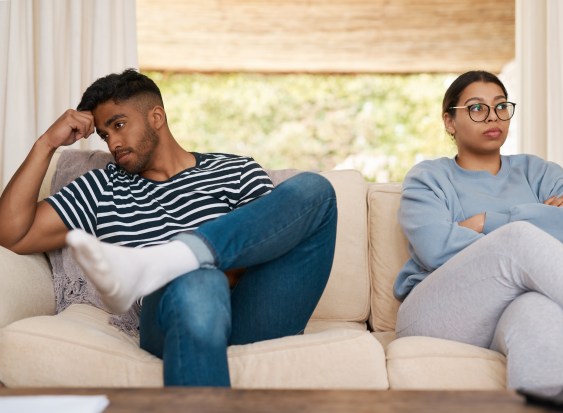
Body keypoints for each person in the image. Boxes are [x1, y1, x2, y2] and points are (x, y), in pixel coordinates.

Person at [0, 69, 338, 387]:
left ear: (156, 117)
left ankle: (166, 262)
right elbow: (11, 233)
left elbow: (265, 244)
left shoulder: (235, 170)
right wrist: (46, 143)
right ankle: (178, 267)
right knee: (197, 280)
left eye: (119, 125)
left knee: (315, 190)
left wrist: (201, 263)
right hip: (174, 314)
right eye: (104, 135)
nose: (113, 143)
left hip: (255, 309)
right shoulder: (103, 187)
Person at [394, 70, 563, 389]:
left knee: (543, 313)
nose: (492, 117)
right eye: (476, 108)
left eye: (501, 106)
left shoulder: (539, 172)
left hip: (522, 308)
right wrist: (535, 221)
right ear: (449, 122)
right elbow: (436, 248)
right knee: (518, 239)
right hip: (440, 312)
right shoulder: (428, 178)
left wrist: (485, 221)